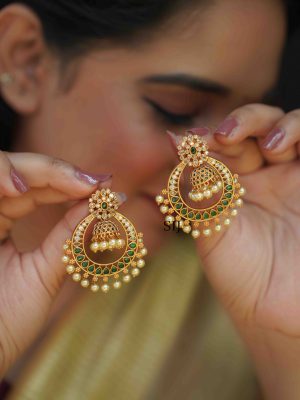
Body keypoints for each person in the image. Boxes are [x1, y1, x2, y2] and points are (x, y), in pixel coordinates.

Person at [0, 0, 299, 398]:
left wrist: (286, 357)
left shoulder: (240, 299)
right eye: (176, 110)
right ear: (26, 60)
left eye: (240, 132)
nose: (205, 166)